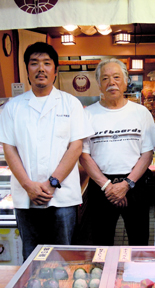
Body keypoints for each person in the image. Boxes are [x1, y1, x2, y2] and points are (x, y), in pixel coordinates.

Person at [0, 42, 94, 261]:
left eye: (46, 63)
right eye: (34, 63)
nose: (40, 69)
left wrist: (52, 183)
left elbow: (76, 147)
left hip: (61, 197)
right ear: (27, 71)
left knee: (63, 256)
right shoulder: (13, 107)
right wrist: (28, 185)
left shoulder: (70, 104)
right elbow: (9, 149)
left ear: (55, 70)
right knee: (31, 257)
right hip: (26, 196)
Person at [79, 58, 155, 246]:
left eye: (116, 77)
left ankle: (137, 275)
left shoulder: (141, 112)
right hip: (101, 185)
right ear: (98, 83)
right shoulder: (87, 114)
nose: (111, 83)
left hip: (135, 184)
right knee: (101, 241)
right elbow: (83, 155)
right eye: (105, 78)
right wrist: (107, 186)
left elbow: (147, 153)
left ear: (125, 80)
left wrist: (127, 184)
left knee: (139, 241)